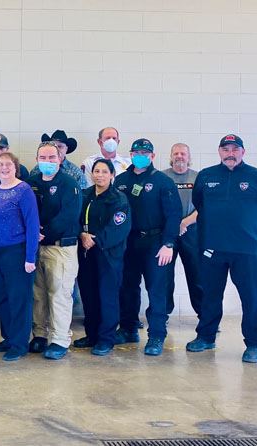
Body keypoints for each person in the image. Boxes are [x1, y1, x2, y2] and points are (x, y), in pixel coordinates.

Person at [186, 134, 257, 364]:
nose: (230, 153)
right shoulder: (207, 176)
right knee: (210, 296)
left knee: (250, 298)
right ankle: (206, 337)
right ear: (219, 152)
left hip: (245, 250)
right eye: (225, 149)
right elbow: (199, 204)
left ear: (242, 152)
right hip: (212, 248)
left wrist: (249, 226)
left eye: (234, 149)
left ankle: (255, 344)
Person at [114, 138, 182, 356]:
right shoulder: (121, 180)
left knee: (157, 290)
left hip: (156, 242)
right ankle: (128, 329)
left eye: (145, 152)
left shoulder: (163, 181)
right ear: (131, 155)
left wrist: (168, 244)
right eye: (136, 152)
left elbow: (174, 215)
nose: (140, 155)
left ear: (152, 156)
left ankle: (156, 335)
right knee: (128, 287)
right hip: (129, 243)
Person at [25, 141, 82, 360]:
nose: (47, 162)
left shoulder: (69, 183)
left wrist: (44, 233)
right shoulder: (31, 183)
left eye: (51, 158)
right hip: (37, 248)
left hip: (61, 248)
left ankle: (59, 340)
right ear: (37, 159)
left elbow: (68, 215)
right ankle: (39, 334)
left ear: (59, 159)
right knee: (38, 294)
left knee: (59, 294)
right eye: (43, 158)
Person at [0, 152, 39, 361]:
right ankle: (8, 337)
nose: (4, 168)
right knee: (2, 298)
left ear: (15, 167)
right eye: (0, 165)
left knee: (19, 300)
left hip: (18, 251)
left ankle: (19, 344)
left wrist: (30, 258)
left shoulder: (23, 190)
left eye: (8, 164)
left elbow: (32, 224)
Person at [74, 159, 131, 356]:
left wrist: (96, 240)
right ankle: (91, 335)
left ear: (112, 175)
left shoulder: (118, 199)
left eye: (104, 171)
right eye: (96, 171)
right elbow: (76, 219)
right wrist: (82, 234)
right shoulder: (85, 195)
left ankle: (106, 339)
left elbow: (118, 227)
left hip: (108, 254)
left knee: (107, 296)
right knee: (89, 295)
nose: (99, 175)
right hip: (85, 253)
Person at [162, 143, 203, 317]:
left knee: (198, 276)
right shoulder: (161, 177)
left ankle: (205, 316)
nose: (179, 156)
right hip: (167, 233)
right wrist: (173, 225)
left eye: (183, 153)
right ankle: (162, 314)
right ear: (171, 156)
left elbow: (205, 206)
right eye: (176, 153)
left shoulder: (199, 177)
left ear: (189, 157)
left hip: (192, 232)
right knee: (164, 278)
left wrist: (185, 223)